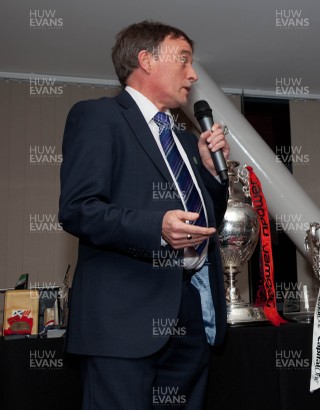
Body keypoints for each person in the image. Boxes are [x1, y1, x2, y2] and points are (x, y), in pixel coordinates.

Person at [59, 20, 229, 409]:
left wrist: (208, 171)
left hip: (189, 318)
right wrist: (155, 227)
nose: (193, 74)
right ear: (146, 61)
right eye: (183, 59)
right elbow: (77, 209)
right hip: (123, 321)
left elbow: (207, 222)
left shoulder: (186, 140)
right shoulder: (98, 117)